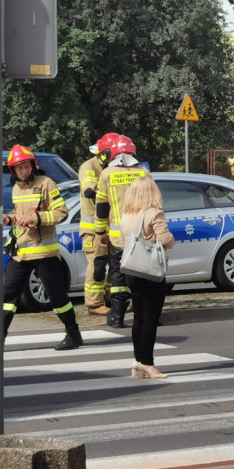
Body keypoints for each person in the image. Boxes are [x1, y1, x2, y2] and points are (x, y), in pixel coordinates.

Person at [0, 145, 83, 352]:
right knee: (7, 296)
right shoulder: (16, 189)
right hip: (21, 253)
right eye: (19, 168)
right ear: (13, 171)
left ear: (33, 165)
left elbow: (61, 213)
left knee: (57, 296)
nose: (23, 171)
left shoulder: (46, 183)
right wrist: (8, 219)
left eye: (26, 166)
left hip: (44, 253)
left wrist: (35, 218)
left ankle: (73, 334)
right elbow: (19, 215)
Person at [119, 176, 175, 379]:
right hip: (151, 272)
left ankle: (138, 362)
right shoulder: (154, 214)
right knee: (151, 318)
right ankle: (148, 363)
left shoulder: (126, 215)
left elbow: (122, 242)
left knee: (138, 317)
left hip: (132, 271)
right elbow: (166, 239)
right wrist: (172, 240)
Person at [94, 135, 150, 328]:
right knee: (144, 275)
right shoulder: (144, 173)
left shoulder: (107, 174)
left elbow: (101, 207)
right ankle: (149, 316)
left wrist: (101, 233)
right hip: (143, 234)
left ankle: (117, 317)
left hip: (119, 238)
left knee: (119, 275)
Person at [78, 132, 117, 315]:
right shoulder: (88, 166)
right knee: (98, 265)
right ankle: (94, 304)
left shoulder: (113, 167)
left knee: (116, 265)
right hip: (93, 229)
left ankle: (112, 299)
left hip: (112, 227)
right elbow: (89, 189)